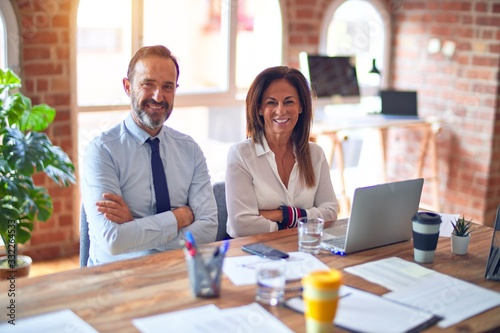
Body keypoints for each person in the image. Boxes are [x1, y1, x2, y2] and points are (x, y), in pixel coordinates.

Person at [82, 45, 217, 265]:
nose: (158, 96)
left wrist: (135, 226)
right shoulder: (102, 151)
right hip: (117, 277)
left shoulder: (189, 149)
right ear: (128, 87)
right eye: (148, 84)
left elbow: (208, 229)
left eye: (167, 87)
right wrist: (177, 218)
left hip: (177, 271)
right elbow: (113, 240)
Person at [225, 66, 338, 237]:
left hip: (303, 248)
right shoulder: (240, 155)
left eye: (289, 101)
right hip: (251, 251)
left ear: (301, 106)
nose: (280, 110)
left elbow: (330, 213)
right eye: (271, 102)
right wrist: (302, 222)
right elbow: (242, 224)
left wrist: (282, 215)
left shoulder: (316, 154)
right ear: (259, 109)